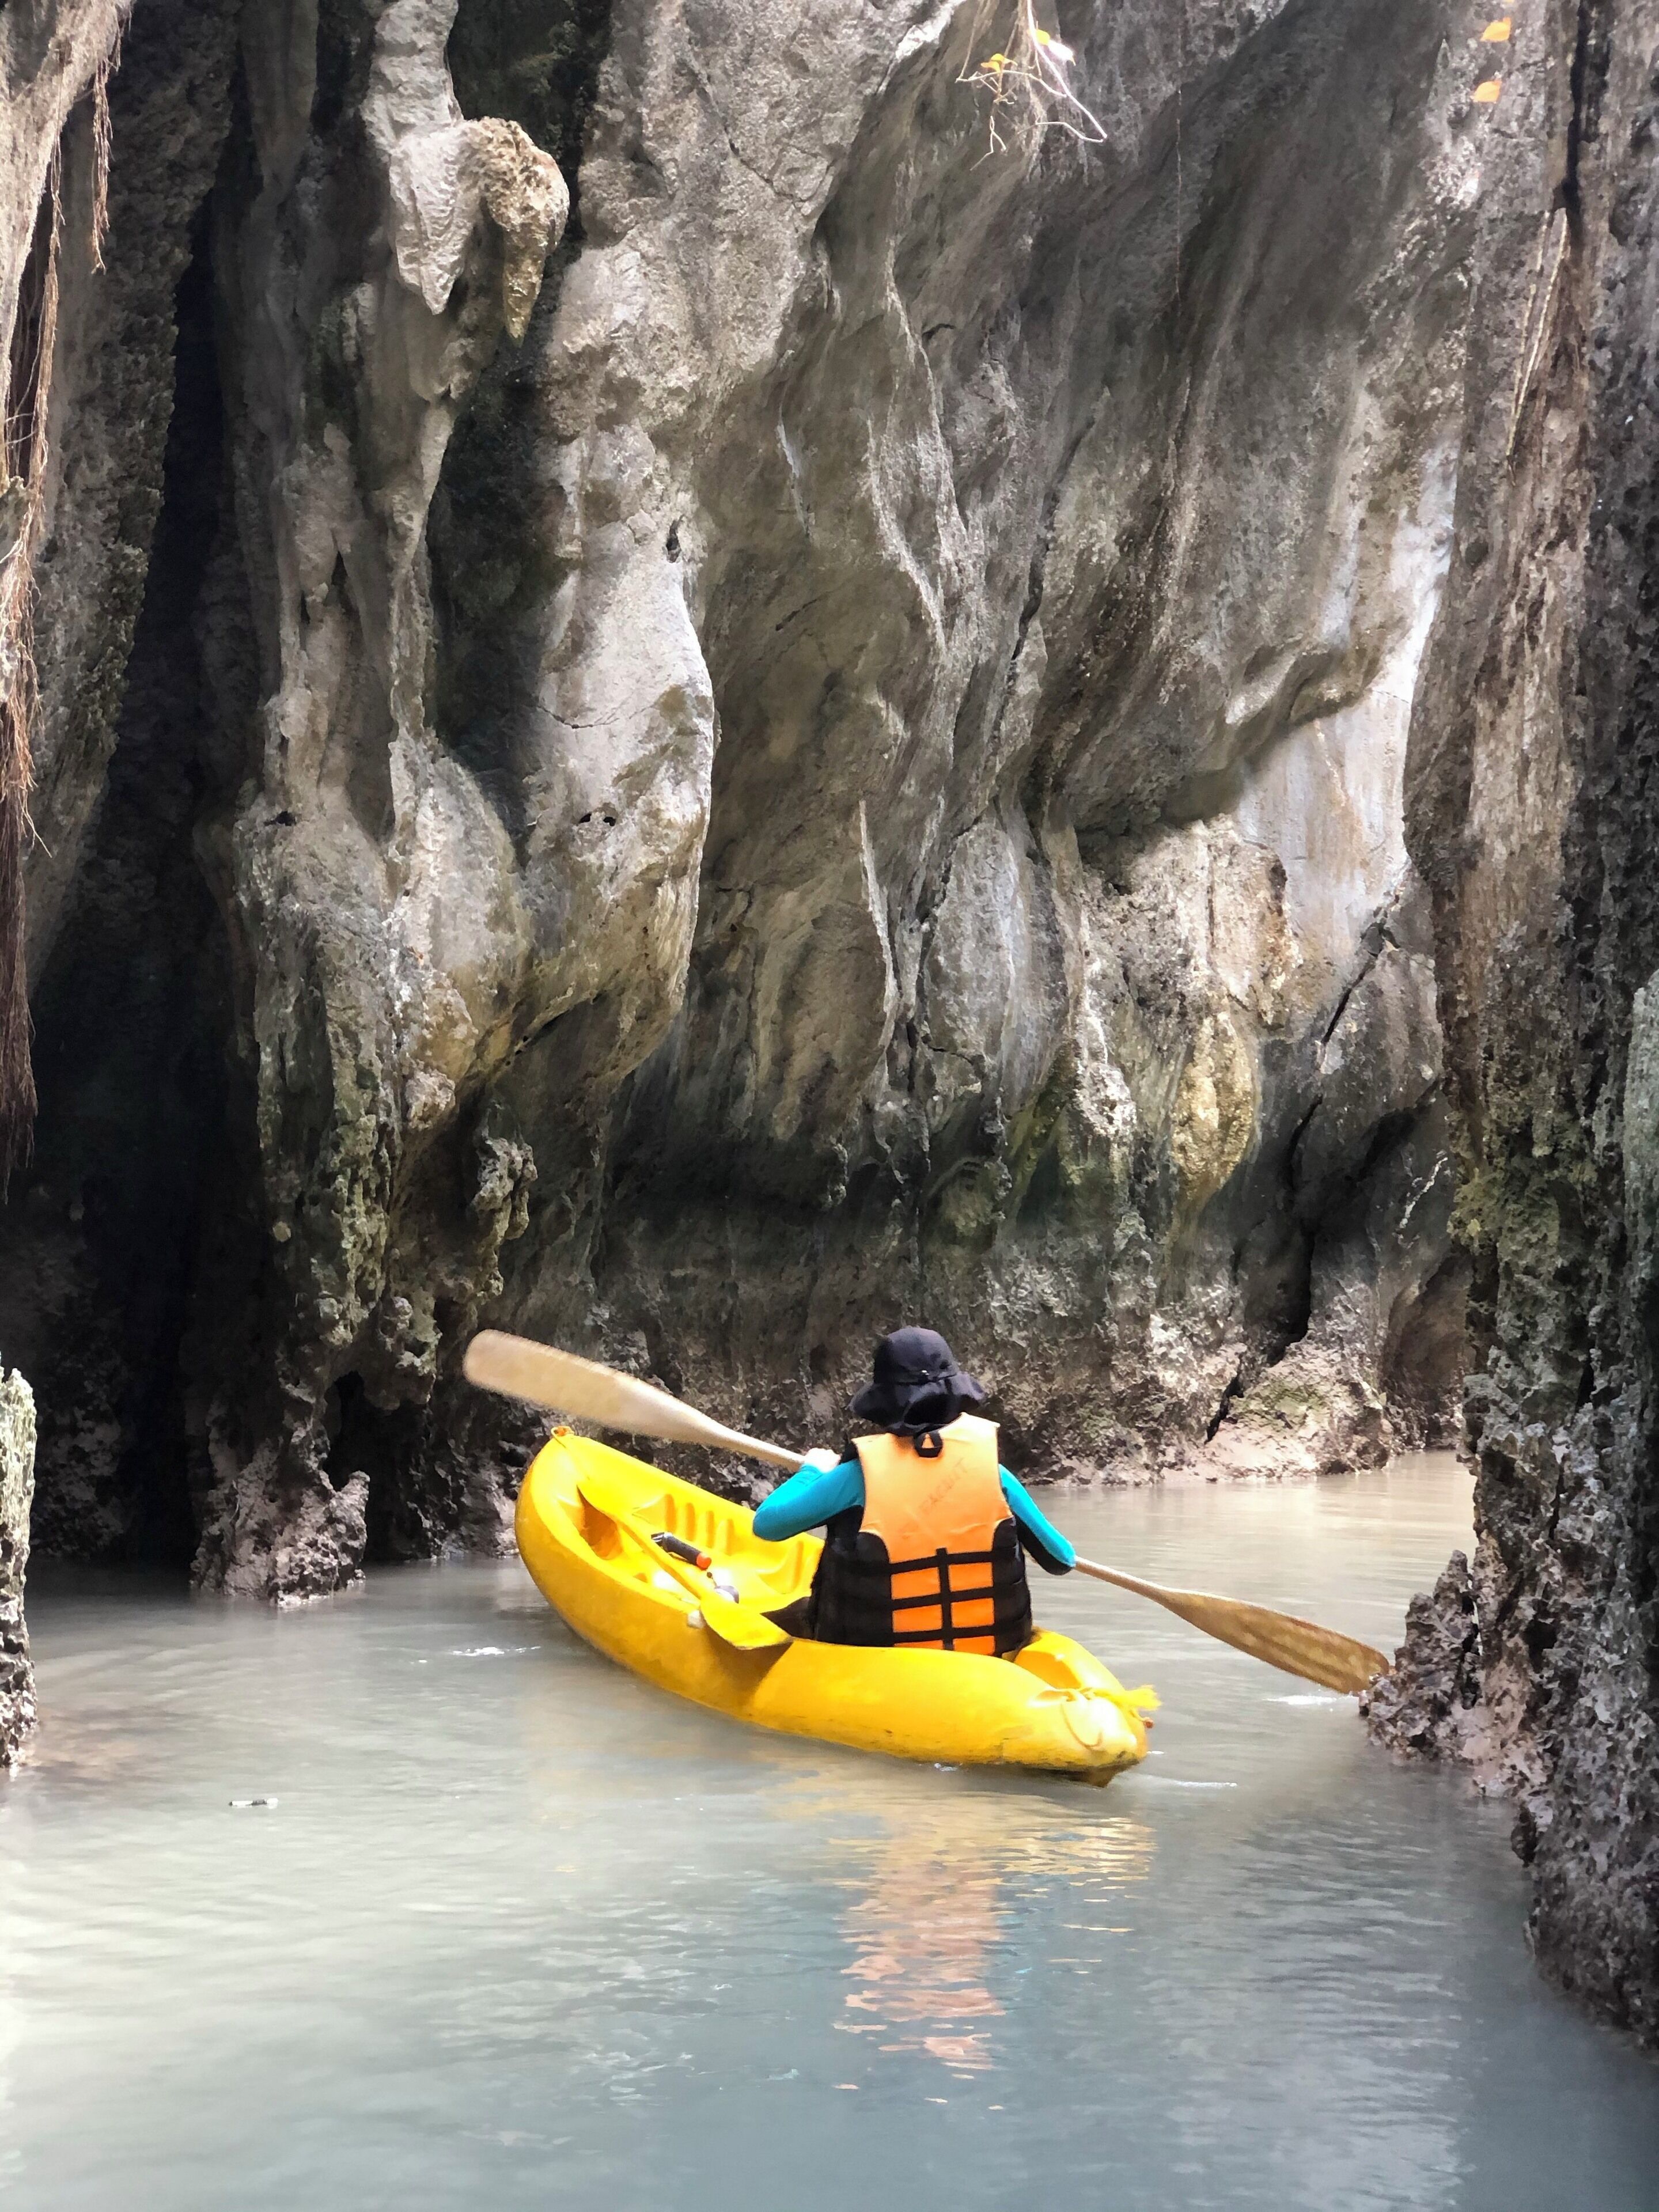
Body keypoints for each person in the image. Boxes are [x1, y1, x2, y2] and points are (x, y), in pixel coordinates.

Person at [751, 1327, 1074, 1654]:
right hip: (991, 1654)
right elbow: (1062, 1560)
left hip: (878, 1658)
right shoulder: (995, 1474)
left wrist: (812, 1471)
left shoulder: (856, 1477)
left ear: (884, 1402)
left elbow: (767, 1524)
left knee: (781, 1616)